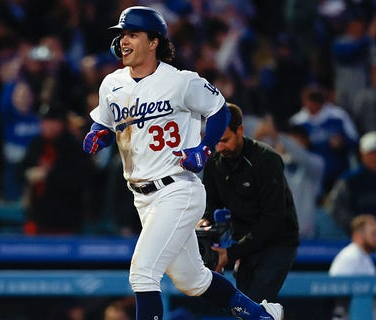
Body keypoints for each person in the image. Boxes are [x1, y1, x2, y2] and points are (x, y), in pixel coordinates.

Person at [83, 6, 283, 320]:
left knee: (143, 273)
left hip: (177, 189)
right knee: (194, 281)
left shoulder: (180, 81)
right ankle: (261, 315)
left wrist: (204, 148)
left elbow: (219, 110)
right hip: (143, 197)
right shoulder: (112, 84)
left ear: (153, 43)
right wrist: (98, 134)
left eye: (133, 34)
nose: (124, 41)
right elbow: (106, 124)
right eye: (122, 35)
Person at [201, 104, 299, 302]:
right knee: (244, 305)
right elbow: (210, 202)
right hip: (244, 242)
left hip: (278, 242)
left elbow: (273, 220)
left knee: (256, 302)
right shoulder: (214, 162)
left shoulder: (266, 159)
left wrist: (231, 252)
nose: (220, 147)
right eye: (216, 142)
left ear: (240, 130)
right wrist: (204, 220)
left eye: (225, 140)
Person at [253, 117, 324, 239]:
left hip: (304, 234)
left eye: (295, 142)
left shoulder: (316, 164)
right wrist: (258, 139)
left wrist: (277, 135)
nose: (290, 146)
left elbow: (301, 155)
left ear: (305, 142)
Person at [328, 214, 376, 320]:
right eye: (373, 234)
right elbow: (334, 291)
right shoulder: (349, 256)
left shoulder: (365, 257)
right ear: (357, 235)